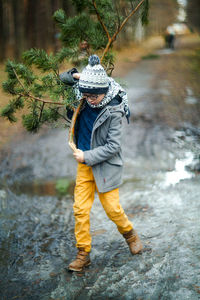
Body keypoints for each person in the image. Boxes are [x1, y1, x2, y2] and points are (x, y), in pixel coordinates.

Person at [60, 55, 143, 272]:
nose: (90, 100)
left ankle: (130, 235)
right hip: (84, 167)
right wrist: (77, 75)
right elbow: (64, 78)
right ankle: (83, 253)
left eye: (94, 96)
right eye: (86, 95)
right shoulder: (83, 98)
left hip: (105, 166)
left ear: (104, 91)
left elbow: (113, 146)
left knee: (112, 209)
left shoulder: (114, 110)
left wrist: (86, 156)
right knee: (80, 209)